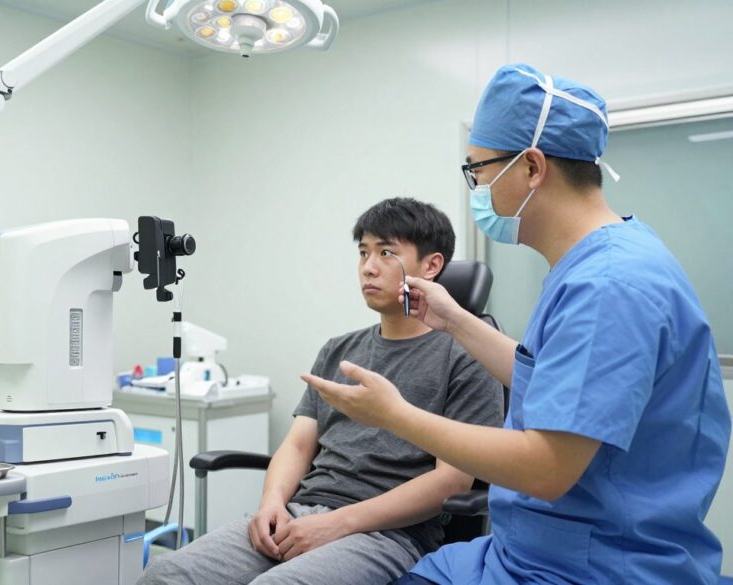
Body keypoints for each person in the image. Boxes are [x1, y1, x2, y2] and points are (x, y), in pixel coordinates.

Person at [304, 64, 731, 584]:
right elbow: (548, 378)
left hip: (594, 564)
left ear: (531, 167)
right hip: (527, 546)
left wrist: (394, 415)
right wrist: (456, 321)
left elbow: (546, 468)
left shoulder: (609, 285)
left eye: (478, 171)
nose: (477, 188)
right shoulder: (590, 264)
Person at [138, 197, 503, 585]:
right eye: (363, 252)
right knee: (168, 574)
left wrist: (335, 525)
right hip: (300, 513)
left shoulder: (468, 355)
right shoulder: (338, 350)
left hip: (389, 534)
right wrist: (272, 505)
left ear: (431, 266)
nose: (368, 267)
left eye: (386, 252)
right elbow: (297, 446)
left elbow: (453, 481)